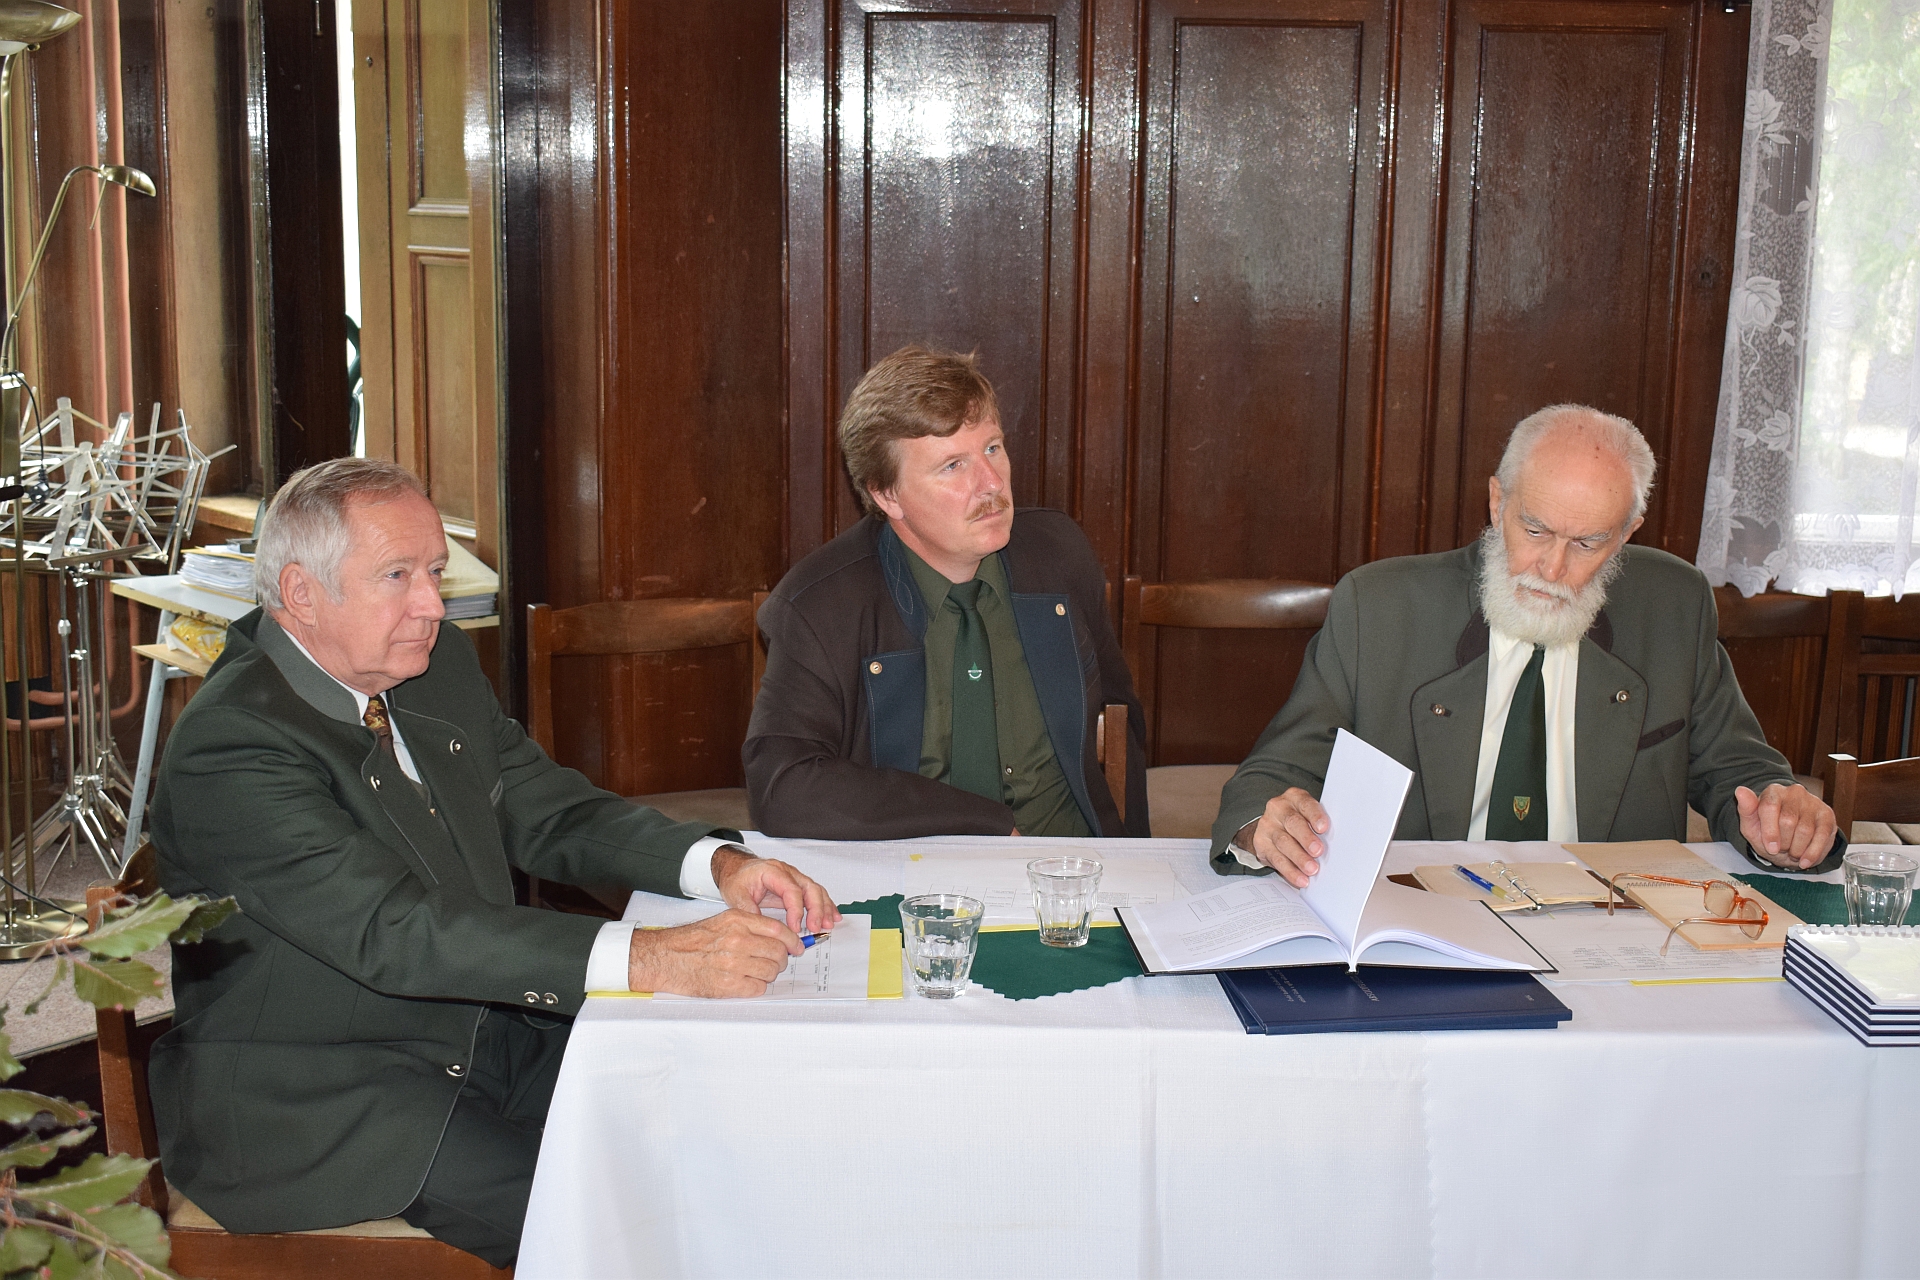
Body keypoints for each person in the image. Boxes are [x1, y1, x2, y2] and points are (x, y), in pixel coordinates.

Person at [147, 458, 838, 1269]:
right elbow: (396, 931)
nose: (433, 605)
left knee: (720, 1131)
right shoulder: (234, 746)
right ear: (300, 593)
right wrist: (653, 957)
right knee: (623, 1232)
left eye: (435, 572)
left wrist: (715, 863)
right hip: (324, 1099)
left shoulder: (430, 667)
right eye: (398, 576)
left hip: (483, 1031)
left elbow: (542, 806)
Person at [1215, 404, 1845, 884]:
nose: (1552, 568)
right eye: (1535, 529)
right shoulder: (1378, 609)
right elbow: (1272, 777)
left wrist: (1778, 817)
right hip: (1426, 916)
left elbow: (1739, 773)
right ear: (1498, 502)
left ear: (1627, 533)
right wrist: (1263, 826)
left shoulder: (1673, 606)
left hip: (1610, 928)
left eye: (1588, 543)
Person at [746, 345, 1148, 839]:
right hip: (914, 871)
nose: (991, 483)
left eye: (992, 448)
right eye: (953, 465)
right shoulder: (822, 606)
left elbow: (1122, 718)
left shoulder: (1058, 556)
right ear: (886, 494)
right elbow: (782, 786)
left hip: (1068, 866)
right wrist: (980, 823)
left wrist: (1138, 863)